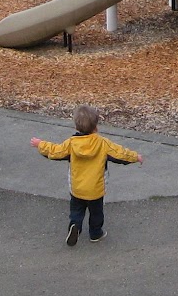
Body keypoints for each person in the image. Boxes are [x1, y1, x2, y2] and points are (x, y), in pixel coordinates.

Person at [31, 105, 142, 246]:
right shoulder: (103, 143)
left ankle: (75, 226)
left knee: (76, 210)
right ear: (96, 127)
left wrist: (40, 144)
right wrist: (135, 157)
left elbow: (55, 151)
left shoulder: (71, 144)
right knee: (96, 213)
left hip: (77, 187)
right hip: (95, 189)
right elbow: (120, 153)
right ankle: (96, 233)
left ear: (76, 127)